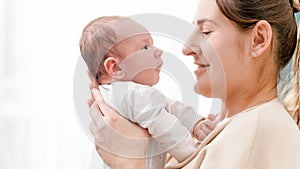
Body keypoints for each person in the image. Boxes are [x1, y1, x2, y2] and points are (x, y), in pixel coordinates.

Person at [88, 0, 300, 168]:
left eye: (205, 31)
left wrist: (130, 163)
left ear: (259, 39)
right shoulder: (227, 131)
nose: (187, 47)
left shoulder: (260, 132)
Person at [80, 16, 216, 169]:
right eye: (145, 47)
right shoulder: (132, 95)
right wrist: (191, 152)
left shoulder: (110, 96)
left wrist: (195, 123)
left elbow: (168, 107)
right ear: (115, 68)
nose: (158, 51)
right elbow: (165, 124)